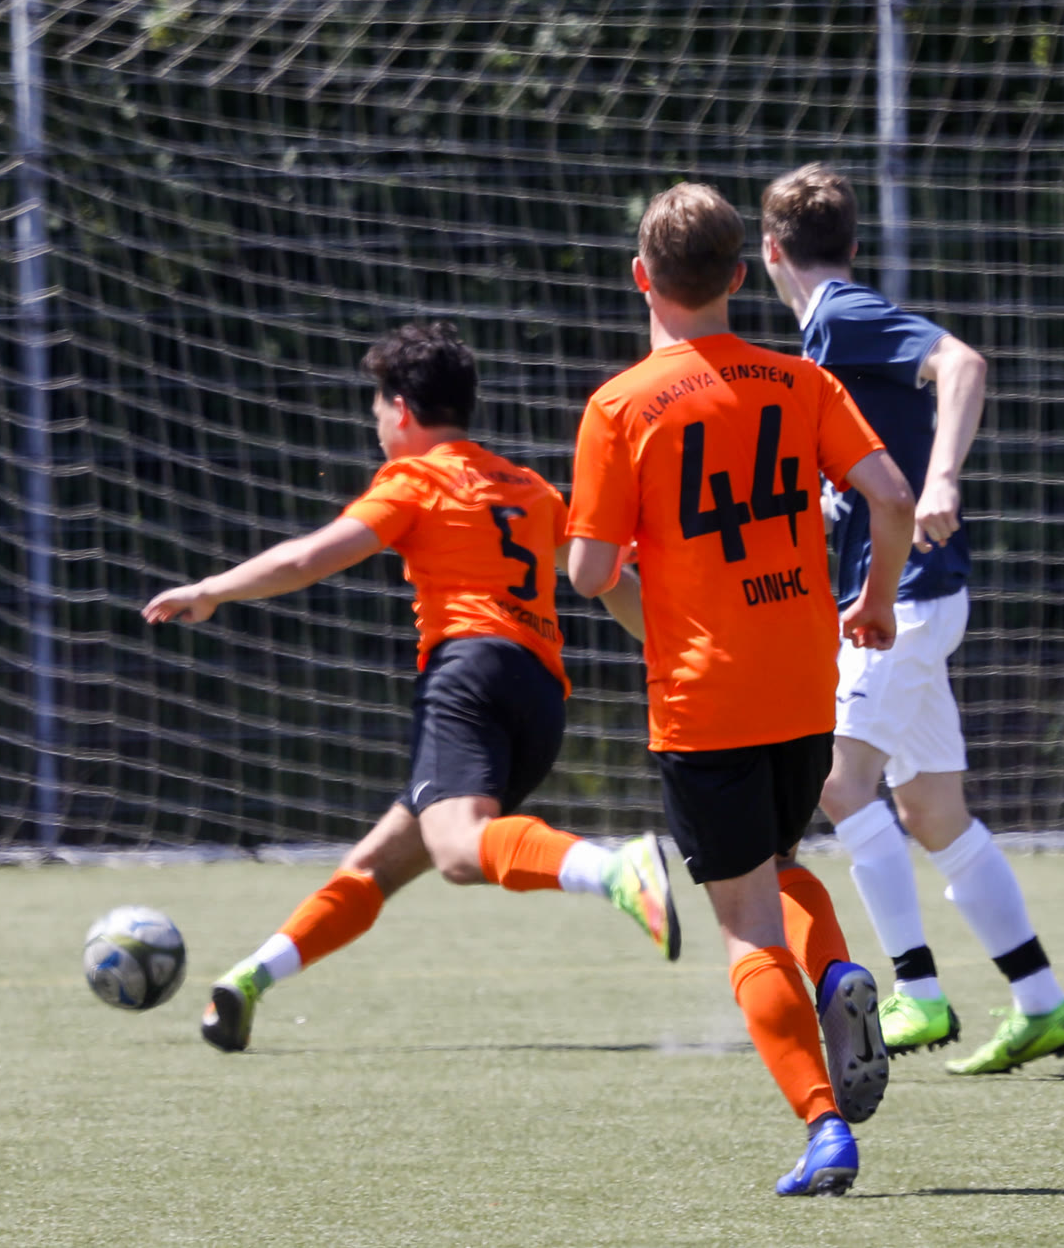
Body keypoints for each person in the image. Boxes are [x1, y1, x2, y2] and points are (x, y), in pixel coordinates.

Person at [142, 320, 678, 1055]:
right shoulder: (526, 486)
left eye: (376, 407)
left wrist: (211, 589)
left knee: (456, 849)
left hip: (467, 676)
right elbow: (609, 578)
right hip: (539, 697)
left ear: (401, 408)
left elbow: (309, 557)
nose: (375, 424)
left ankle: (616, 869)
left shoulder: (415, 480)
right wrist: (676, 646)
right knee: (380, 861)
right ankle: (247, 982)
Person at [567, 182, 917, 1197]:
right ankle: (840, 972)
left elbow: (589, 572)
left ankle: (823, 1126)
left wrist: (644, 596)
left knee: (743, 924)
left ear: (641, 278)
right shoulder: (800, 382)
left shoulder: (619, 406)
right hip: (804, 682)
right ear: (736, 275)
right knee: (776, 866)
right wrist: (875, 602)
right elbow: (891, 495)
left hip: (704, 697)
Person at [758, 163, 1064, 1075]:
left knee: (838, 784)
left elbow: (963, 362)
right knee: (934, 811)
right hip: (911, 594)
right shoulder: (824, 336)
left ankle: (918, 991)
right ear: (853, 242)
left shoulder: (840, 313)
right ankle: (1042, 1003)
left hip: (904, 595)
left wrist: (942, 478)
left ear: (771, 251)